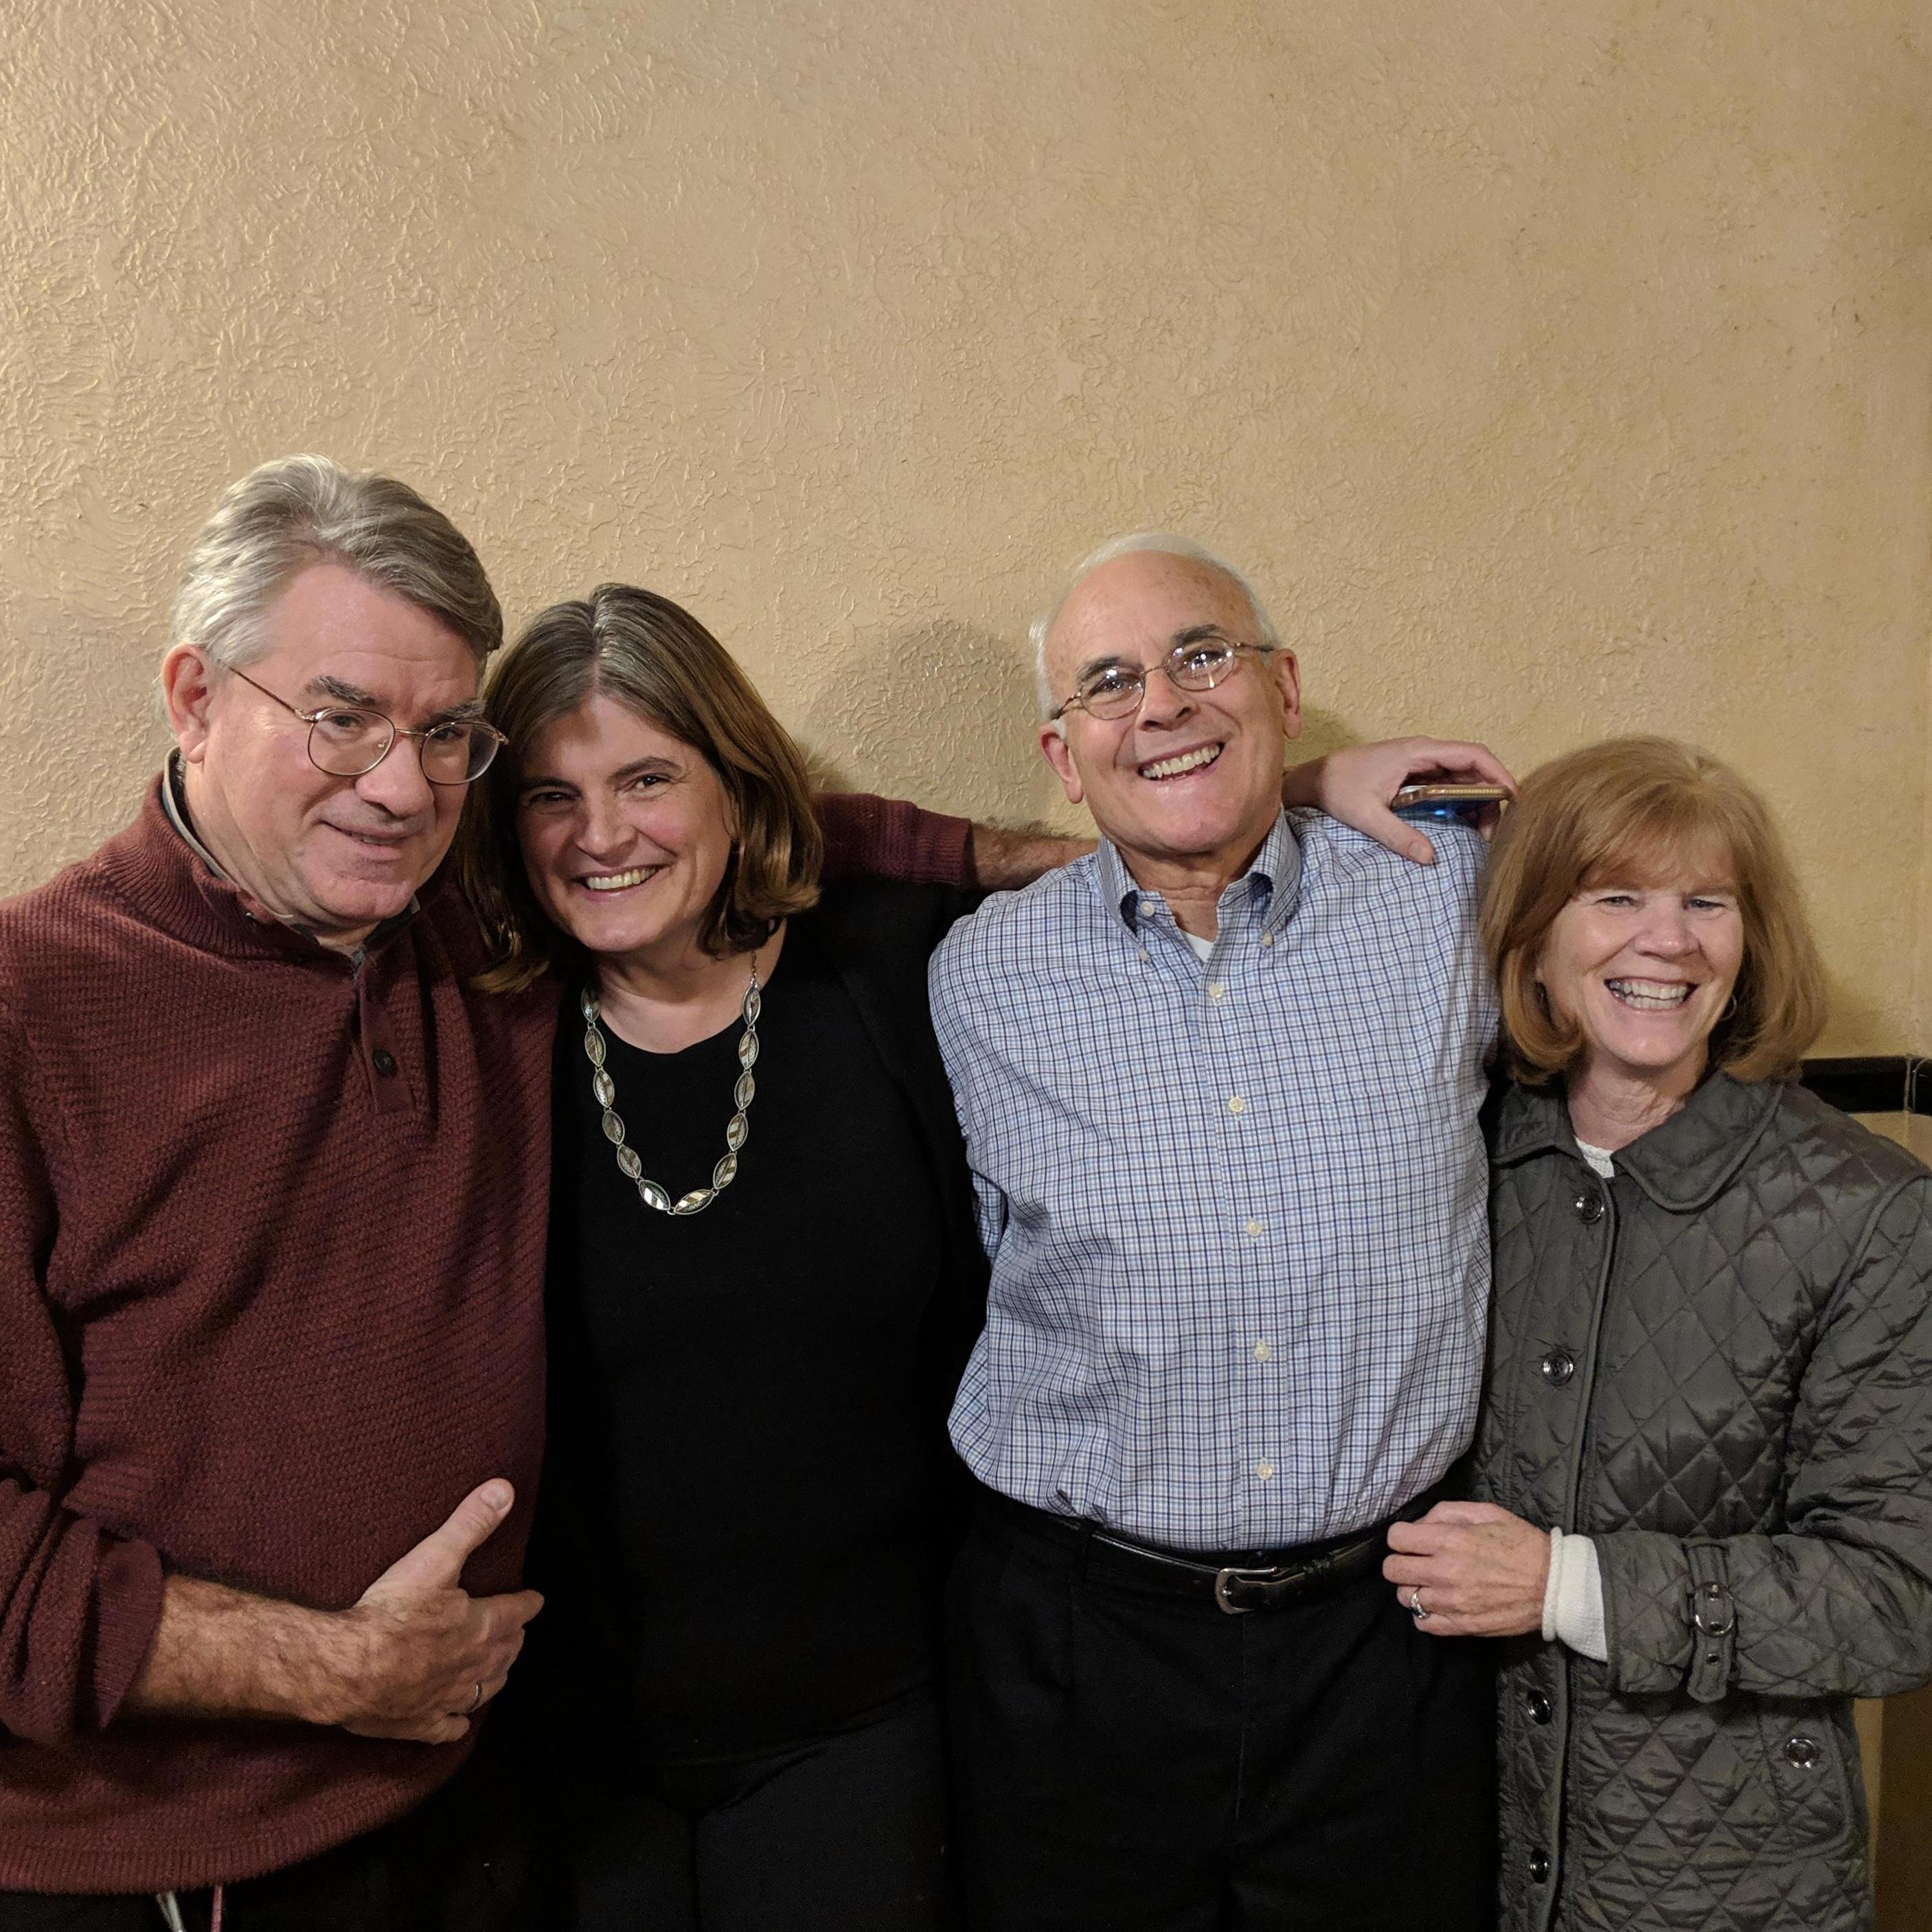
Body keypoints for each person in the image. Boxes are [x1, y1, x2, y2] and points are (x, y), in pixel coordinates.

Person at [463, 578, 1510, 1929]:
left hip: (875, 1724)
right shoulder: (480, 1024)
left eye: (650, 777)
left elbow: (1123, 829)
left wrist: (1283, 784)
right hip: (588, 1726)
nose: (603, 833)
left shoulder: (895, 969)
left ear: (729, 779)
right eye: (554, 795)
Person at [0, 456, 552, 1927]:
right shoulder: (27, 1009)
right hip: (165, 1862)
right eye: (341, 717)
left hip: (465, 1807)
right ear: (193, 697)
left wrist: (1158, 830)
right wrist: (327, 1671)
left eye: (447, 733)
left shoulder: (479, 925)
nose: (401, 785)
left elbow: (715, 826)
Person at [928, 532, 1505, 1931]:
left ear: (1284, 686)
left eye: (1203, 658)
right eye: (1111, 683)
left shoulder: (1450, 891)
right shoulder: (980, 974)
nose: (1164, 705)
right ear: (1064, 756)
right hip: (1079, 1650)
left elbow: (1649, 884)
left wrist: (1303, 793)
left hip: (1385, 1646)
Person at [1383, 737, 1932, 1932]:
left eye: (1706, 902)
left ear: (1748, 941)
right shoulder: (1456, 1159)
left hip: (1730, 1876)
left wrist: (1567, 1583)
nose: (1665, 938)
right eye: (1614, 896)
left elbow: (1899, 1593)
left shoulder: (1864, 1208)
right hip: (1452, 1835)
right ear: (1535, 935)